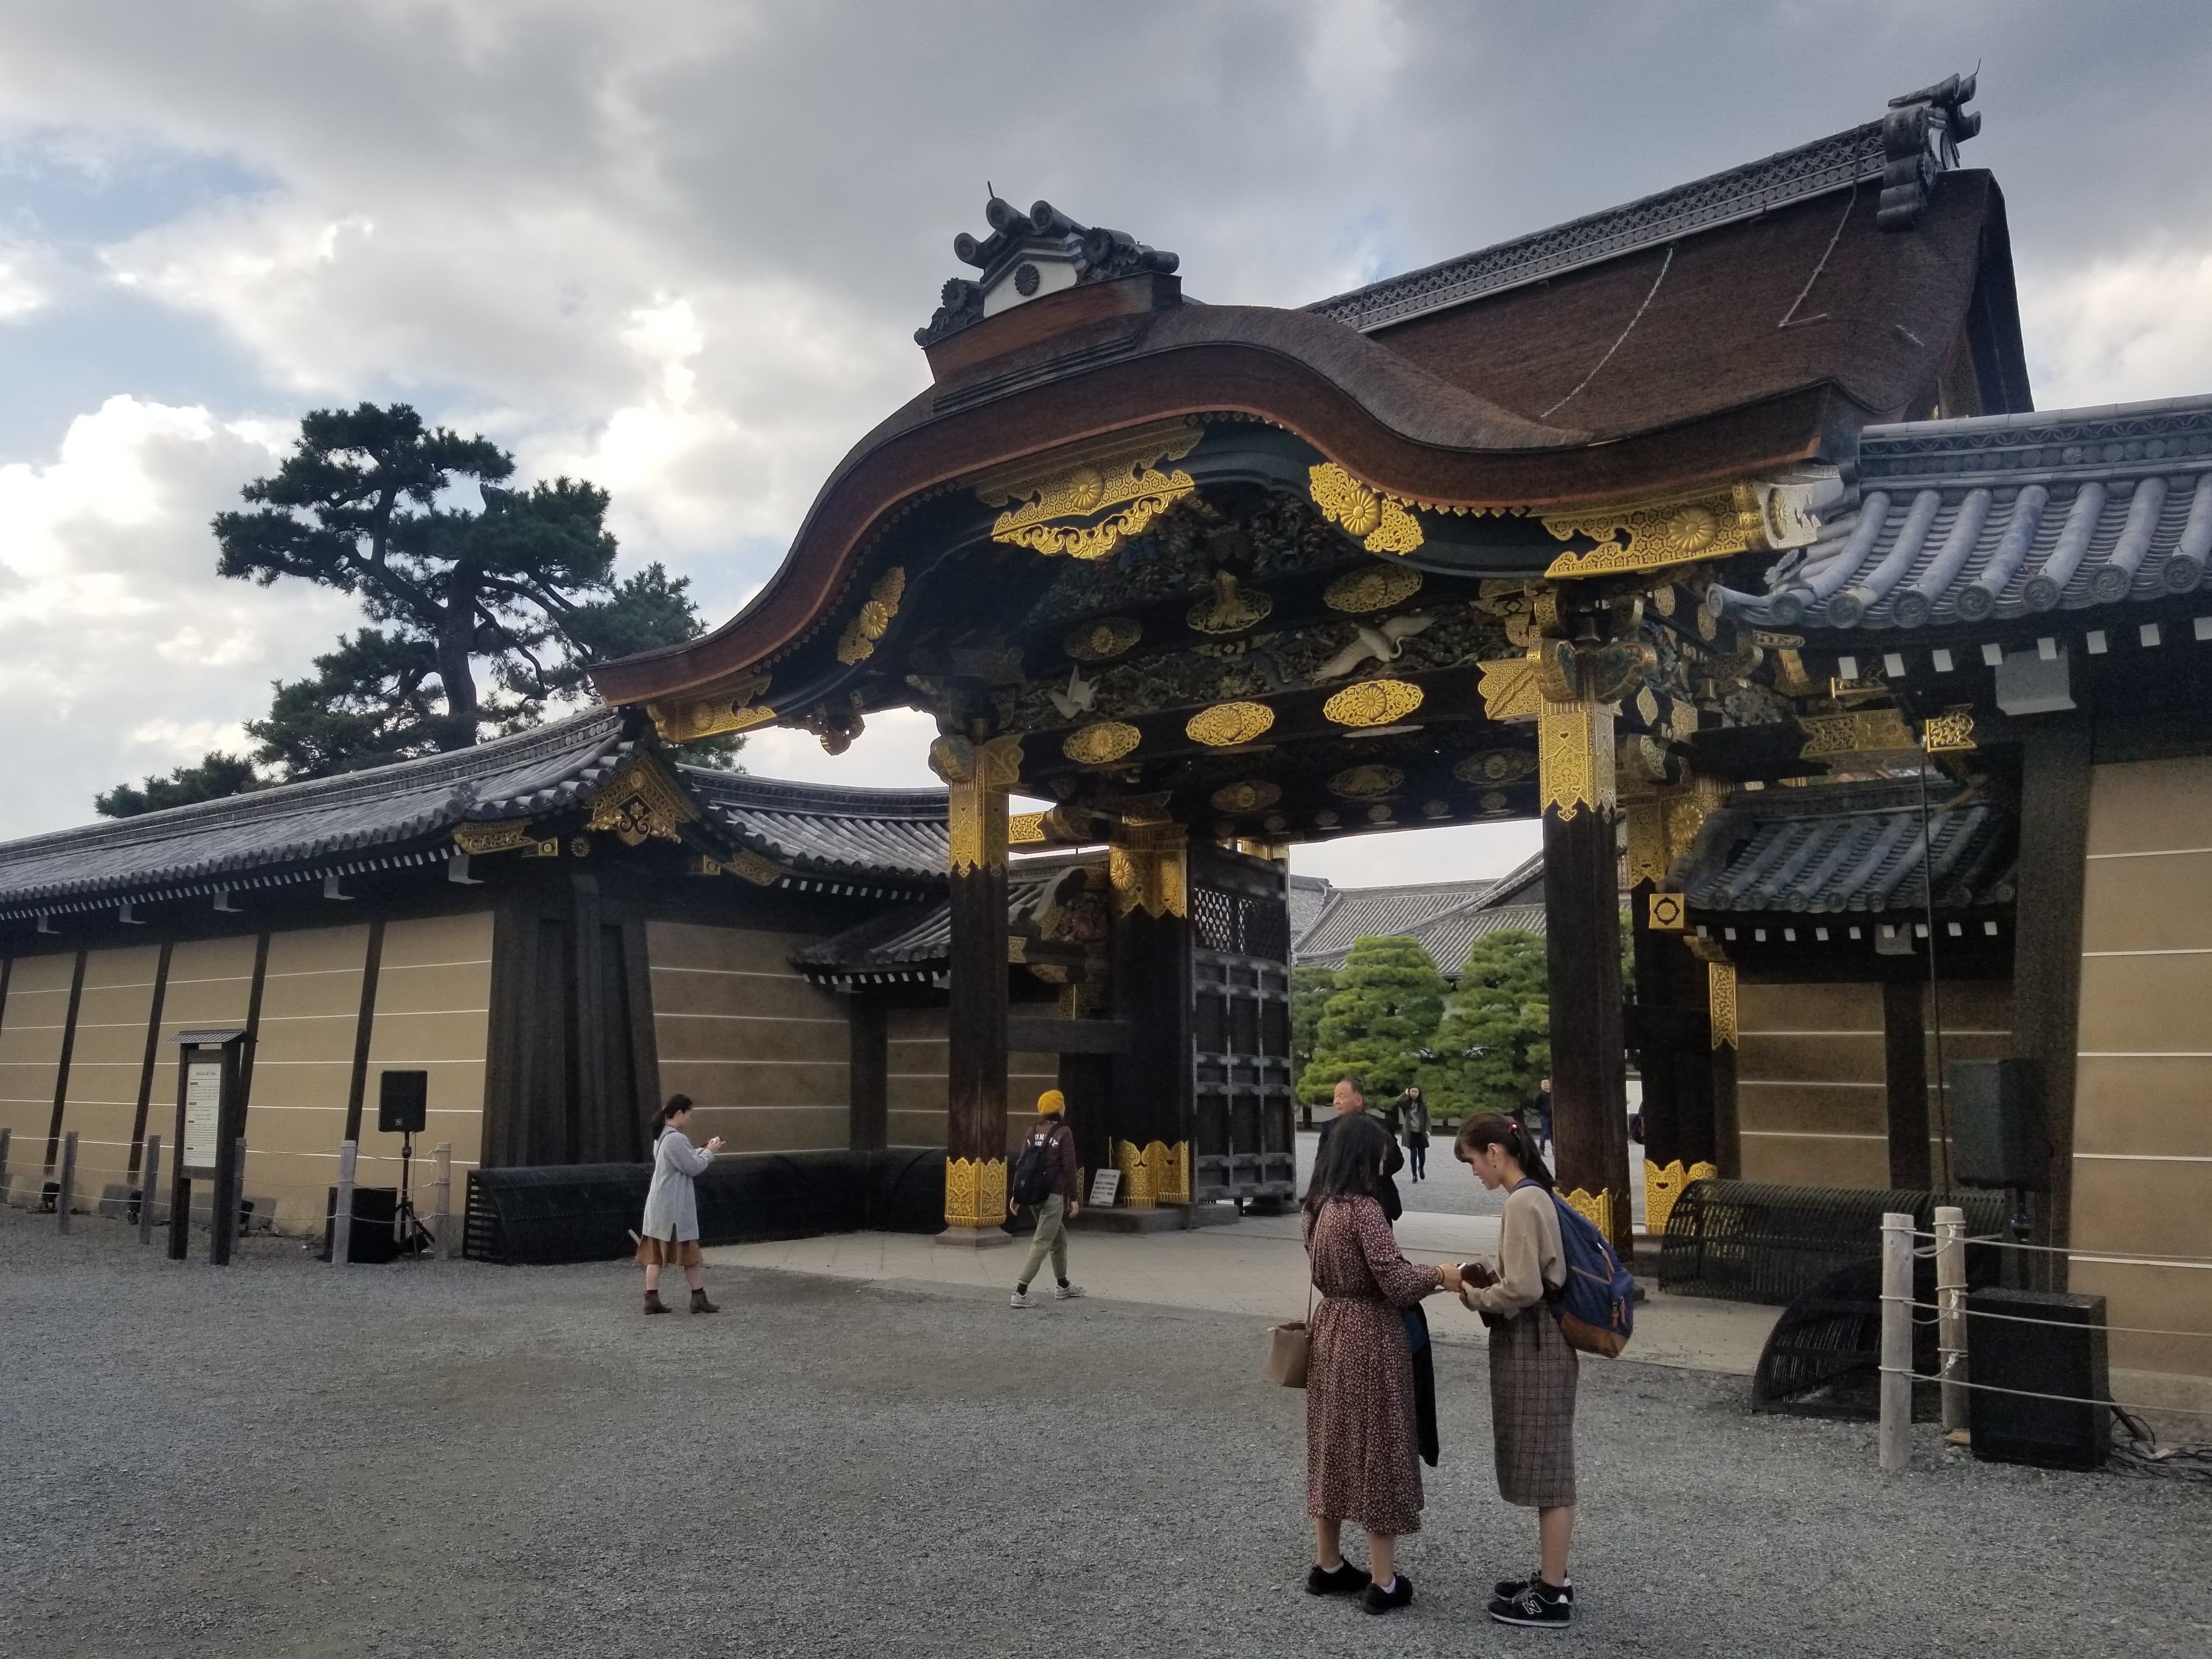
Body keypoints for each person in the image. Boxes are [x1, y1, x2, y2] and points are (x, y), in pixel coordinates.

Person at [1301, 1113, 1463, 1616]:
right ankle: (1384, 1581)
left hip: (1330, 1327)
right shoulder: (1364, 1210)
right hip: (1371, 1332)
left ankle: (1328, 1566)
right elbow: (1393, 1281)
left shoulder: (1315, 1208)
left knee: (1333, 1442)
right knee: (1381, 1446)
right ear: (1365, 1156)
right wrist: (1444, 1274)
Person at [1453, 1113, 1579, 1629]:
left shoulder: (1523, 1201)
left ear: (1495, 1153)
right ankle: (1552, 1578)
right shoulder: (1535, 1195)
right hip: (1542, 1339)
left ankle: (1552, 1594)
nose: (1474, 1172)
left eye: (1473, 1161)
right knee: (1545, 1458)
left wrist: (1473, 1293)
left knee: (1549, 1469)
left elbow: (1524, 1288)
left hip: (1535, 1341)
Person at [637, 1095, 723, 1315]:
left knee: (655, 1255)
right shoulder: (676, 1139)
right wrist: (710, 1153)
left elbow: (684, 1161)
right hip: (674, 1209)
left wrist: (703, 1150)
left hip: (660, 1207)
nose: (690, 1119)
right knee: (690, 1255)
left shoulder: (661, 1136)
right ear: (679, 1114)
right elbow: (693, 1167)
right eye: (689, 1115)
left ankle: (651, 1299)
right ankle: (698, 1298)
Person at [1008, 1089, 1084, 1308]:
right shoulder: (1064, 1132)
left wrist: (1017, 1194)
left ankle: (1063, 1285)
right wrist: (1074, 1197)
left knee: (1058, 1238)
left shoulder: (1032, 1131)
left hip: (1034, 1195)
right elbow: (1070, 1167)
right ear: (1059, 1108)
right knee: (1042, 1241)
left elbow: (1022, 1164)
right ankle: (1020, 1291)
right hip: (1053, 1195)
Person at [1314, 1075, 1404, 1221]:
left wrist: (1372, 1171)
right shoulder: (1329, 1128)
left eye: (1341, 1096)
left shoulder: (1380, 1126)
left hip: (1377, 1196)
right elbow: (1321, 1164)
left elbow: (1397, 1161)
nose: (1336, 1101)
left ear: (1358, 1100)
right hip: (1340, 1199)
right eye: (1335, 1096)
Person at [1395, 1086, 1431, 1182]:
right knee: (1413, 1155)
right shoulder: (1406, 1104)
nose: (1414, 1093)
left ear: (1419, 1094)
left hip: (1421, 1132)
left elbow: (1428, 1119)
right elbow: (1398, 1101)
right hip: (1410, 1132)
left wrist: (1428, 1131)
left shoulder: (1423, 1105)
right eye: (1412, 1091)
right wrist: (1404, 1094)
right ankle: (1414, 1175)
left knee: (1422, 1154)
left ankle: (1421, 1168)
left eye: (1416, 1092)